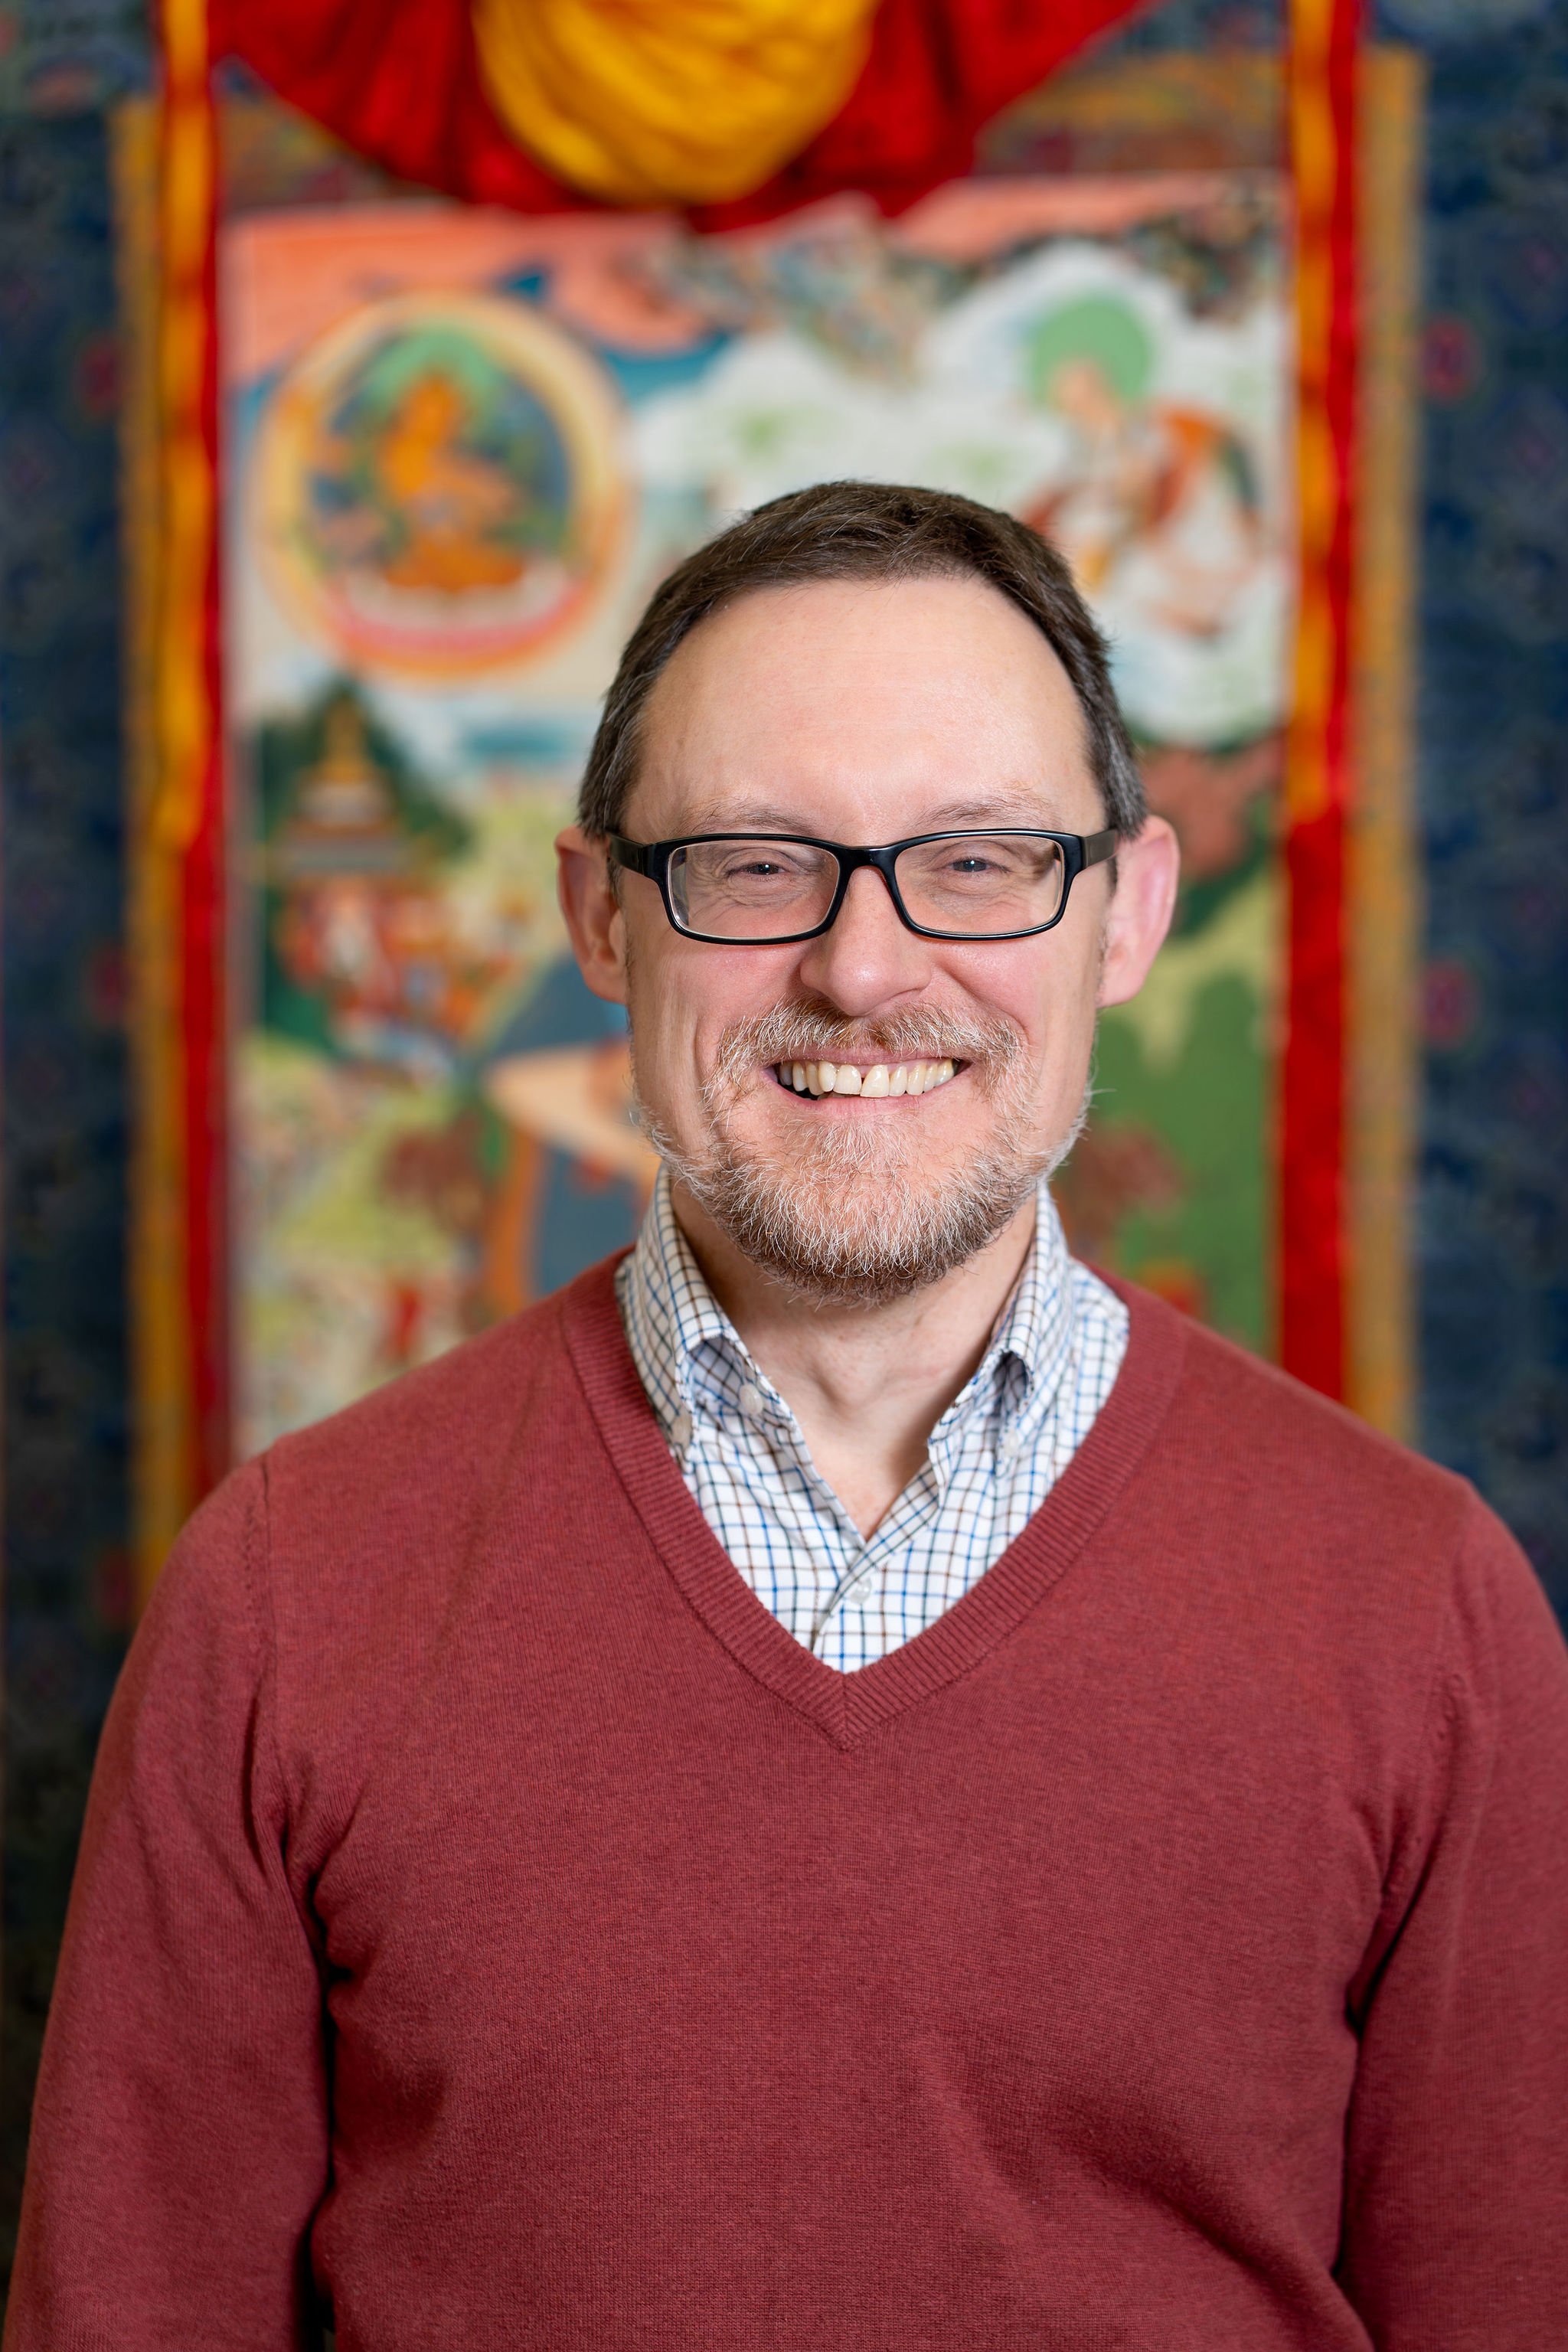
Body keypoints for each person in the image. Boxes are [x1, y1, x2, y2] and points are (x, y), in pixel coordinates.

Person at [8, 482, 1567, 2350]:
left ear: (1129, 913)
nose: (862, 967)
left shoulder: (1419, 1610)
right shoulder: (286, 1593)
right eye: (754, 865)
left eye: (978, 859)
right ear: (601, 918)